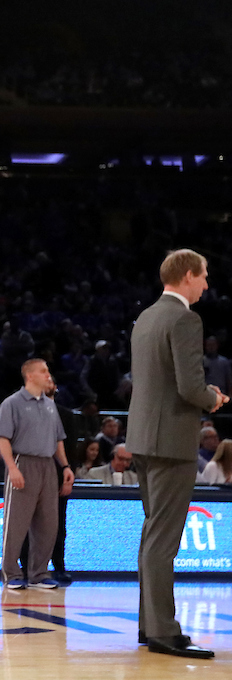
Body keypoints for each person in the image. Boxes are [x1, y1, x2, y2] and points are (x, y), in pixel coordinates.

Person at [126, 249, 227, 659]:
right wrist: (213, 398)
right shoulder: (186, 318)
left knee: (153, 532)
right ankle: (163, 630)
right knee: (163, 539)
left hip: (143, 439)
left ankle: (151, 625)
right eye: (203, 277)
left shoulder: (147, 316)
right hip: (171, 441)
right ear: (188, 275)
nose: (206, 284)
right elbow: (189, 387)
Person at [0, 358, 75, 590]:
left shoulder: (50, 405)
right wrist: (12, 468)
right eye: (43, 371)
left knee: (49, 524)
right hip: (23, 462)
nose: (48, 375)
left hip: (48, 465)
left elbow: (59, 439)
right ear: (30, 376)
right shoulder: (12, 403)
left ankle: (39, 573)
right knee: (16, 524)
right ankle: (11, 574)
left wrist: (66, 466)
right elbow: (2, 438)